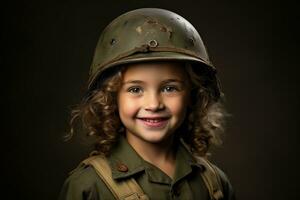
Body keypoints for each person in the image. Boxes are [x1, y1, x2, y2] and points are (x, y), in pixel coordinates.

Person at [59, 8, 235, 200]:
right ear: (110, 98)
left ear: (193, 95)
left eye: (170, 88)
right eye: (135, 89)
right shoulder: (88, 186)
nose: (154, 104)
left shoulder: (214, 183)